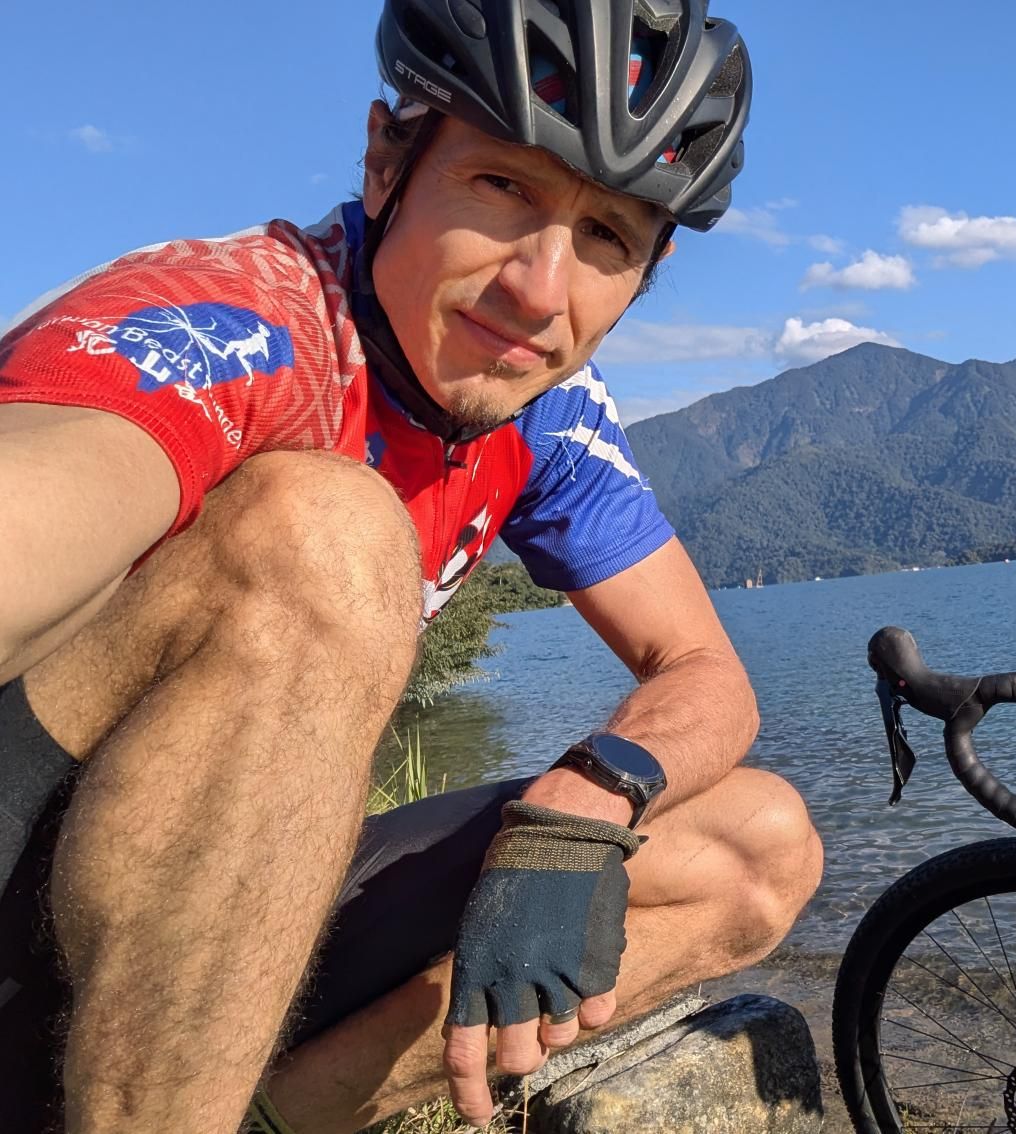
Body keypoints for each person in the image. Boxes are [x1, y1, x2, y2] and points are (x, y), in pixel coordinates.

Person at [0, 1, 822, 1131]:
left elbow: (705, 673)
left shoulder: (541, 411)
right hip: (22, 887)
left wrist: (581, 804)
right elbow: (53, 487)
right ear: (386, 160)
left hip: (211, 919)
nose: (541, 289)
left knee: (757, 844)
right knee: (331, 531)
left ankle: (260, 1115)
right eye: (502, 186)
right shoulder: (242, 323)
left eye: (606, 237)